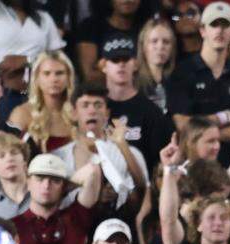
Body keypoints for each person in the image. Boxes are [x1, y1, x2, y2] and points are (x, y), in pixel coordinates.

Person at [166, 1, 230, 165]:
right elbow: (182, 124)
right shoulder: (182, 72)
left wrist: (204, 134)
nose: (219, 30)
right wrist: (223, 117)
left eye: (225, 25)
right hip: (192, 165)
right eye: (214, 24)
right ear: (202, 30)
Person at [53, 83, 149, 217]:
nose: (92, 111)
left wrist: (123, 146)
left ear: (107, 114)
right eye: (85, 105)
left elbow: (142, 192)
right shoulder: (59, 156)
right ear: (74, 113)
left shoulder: (130, 153)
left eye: (98, 105)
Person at [12, 152, 103, 244]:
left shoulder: (75, 219)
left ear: (64, 186)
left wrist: (65, 186)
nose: (46, 185)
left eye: (55, 180)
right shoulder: (13, 226)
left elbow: (93, 171)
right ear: (28, 182)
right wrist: (60, 184)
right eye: (40, 178)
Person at [102, 32, 175, 174]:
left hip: (142, 181)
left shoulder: (151, 111)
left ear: (135, 64)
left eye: (126, 59)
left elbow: (158, 160)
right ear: (104, 65)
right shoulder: (96, 107)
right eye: (115, 60)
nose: (121, 64)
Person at [8, 51, 76, 153]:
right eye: (46, 73)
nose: (54, 79)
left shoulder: (77, 113)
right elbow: (9, 151)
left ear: (69, 77)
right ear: (37, 78)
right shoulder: (22, 113)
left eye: (59, 73)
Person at [73, 0, 153, 85]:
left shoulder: (149, 28)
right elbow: (89, 76)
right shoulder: (90, 27)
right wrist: (132, 74)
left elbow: (156, 71)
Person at [135, 17, 176, 113]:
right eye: (154, 41)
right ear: (143, 46)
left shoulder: (178, 80)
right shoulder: (132, 81)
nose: (160, 46)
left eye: (166, 42)